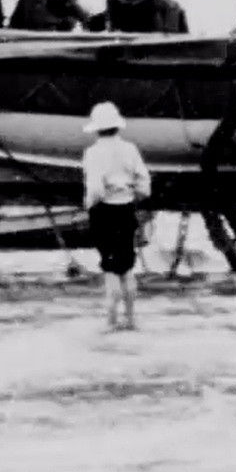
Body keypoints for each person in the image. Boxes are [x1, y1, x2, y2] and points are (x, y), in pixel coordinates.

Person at [82, 102, 151, 331]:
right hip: (126, 209)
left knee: (110, 268)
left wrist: (88, 205)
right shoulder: (130, 149)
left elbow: (95, 189)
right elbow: (144, 183)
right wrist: (133, 195)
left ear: (97, 129)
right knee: (127, 267)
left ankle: (111, 322)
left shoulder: (93, 152)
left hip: (103, 212)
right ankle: (131, 319)